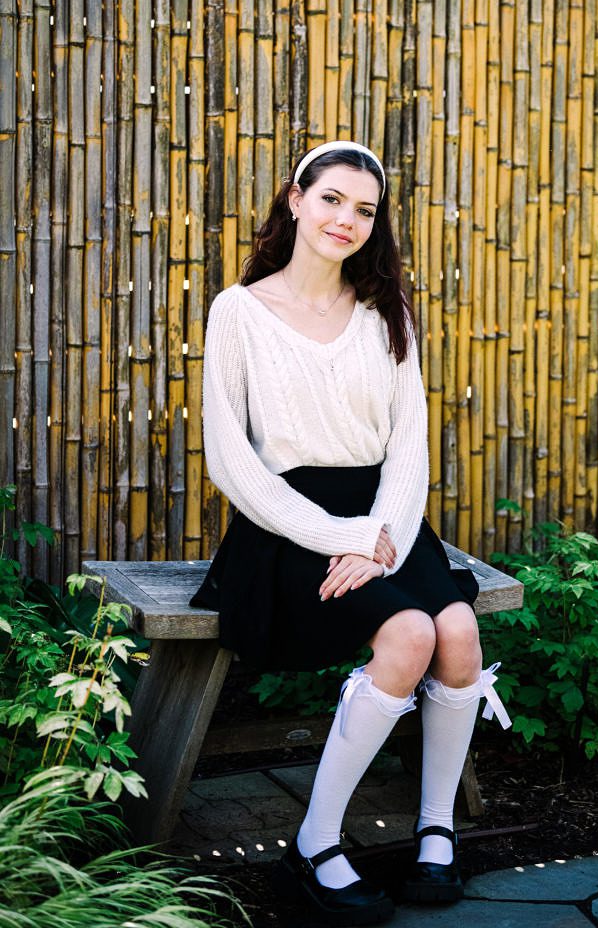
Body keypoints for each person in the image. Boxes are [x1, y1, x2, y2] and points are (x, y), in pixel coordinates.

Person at [191, 140, 510, 926]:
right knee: (407, 635)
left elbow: (410, 445)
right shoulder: (240, 311)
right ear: (294, 200)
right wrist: (331, 533)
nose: (346, 219)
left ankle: (435, 830)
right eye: (331, 199)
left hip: (387, 521)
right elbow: (231, 460)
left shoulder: (385, 312)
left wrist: (379, 539)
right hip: (285, 523)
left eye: (364, 209)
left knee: (459, 632)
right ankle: (315, 841)